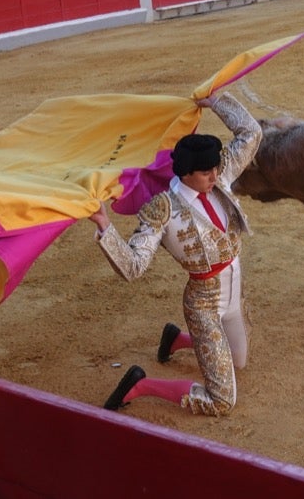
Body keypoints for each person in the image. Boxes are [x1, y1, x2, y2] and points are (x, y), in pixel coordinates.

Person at [96, 93, 261, 417]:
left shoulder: (218, 176)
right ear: (186, 173)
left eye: (216, 169)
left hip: (234, 291)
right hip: (204, 304)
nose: (215, 177)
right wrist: (104, 224)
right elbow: (132, 266)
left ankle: (176, 340)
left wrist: (216, 101)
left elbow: (251, 134)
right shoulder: (163, 210)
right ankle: (139, 386)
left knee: (239, 361)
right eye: (206, 173)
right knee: (222, 400)